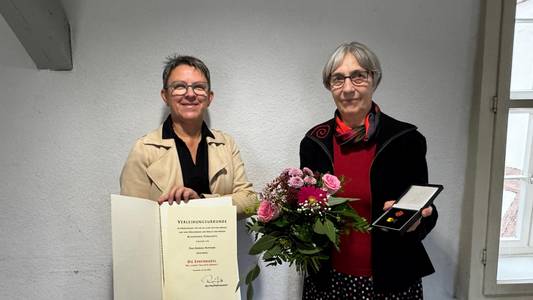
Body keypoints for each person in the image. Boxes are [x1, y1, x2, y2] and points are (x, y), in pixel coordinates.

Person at [299, 41, 437, 299]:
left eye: (358, 76)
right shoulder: (314, 142)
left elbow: (425, 209)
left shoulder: (405, 139)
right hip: (329, 281)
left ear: (374, 79)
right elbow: (306, 208)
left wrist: (418, 220)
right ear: (329, 86)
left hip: (391, 279)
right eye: (338, 79)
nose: (348, 88)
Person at [120, 55, 256, 218]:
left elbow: (250, 201)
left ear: (209, 97)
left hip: (216, 244)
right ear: (165, 96)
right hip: (164, 244)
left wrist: (201, 202)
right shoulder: (144, 149)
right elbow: (132, 216)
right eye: (179, 86)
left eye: (199, 87)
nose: (190, 94)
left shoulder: (226, 144)